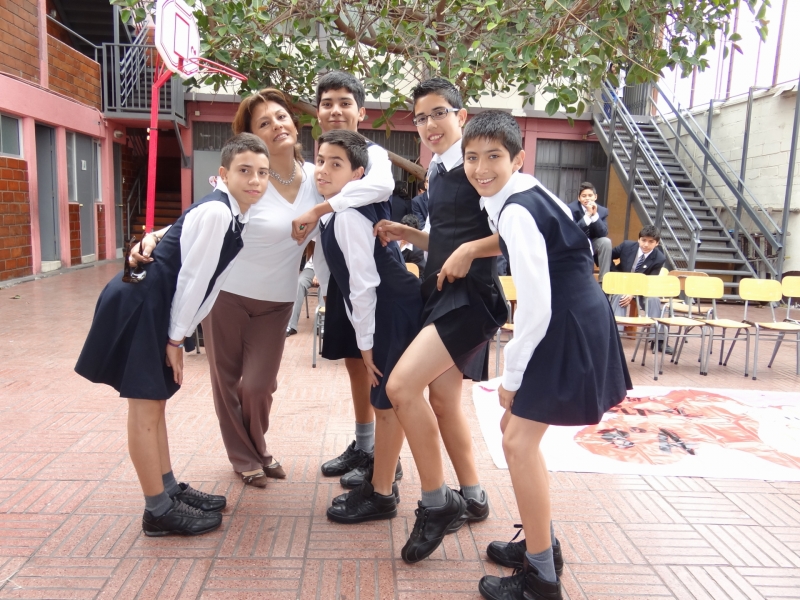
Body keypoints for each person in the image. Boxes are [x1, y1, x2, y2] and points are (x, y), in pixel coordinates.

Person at [460, 110, 630, 599]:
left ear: (517, 159)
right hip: (577, 311)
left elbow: (535, 306)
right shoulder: (525, 190)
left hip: (563, 321)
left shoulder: (515, 208)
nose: (481, 168)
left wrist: (511, 376)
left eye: (493, 157)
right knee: (514, 433)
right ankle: (542, 546)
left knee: (516, 440)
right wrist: (472, 248)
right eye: (472, 157)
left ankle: (541, 579)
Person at [130, 88, 329, 488]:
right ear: (252, 136)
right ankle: (247, 457)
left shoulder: (316, 178)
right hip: (226, 295)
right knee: (227, 382)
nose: (277, 125)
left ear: (294, 124)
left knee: (258, 386)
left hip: (278, 300)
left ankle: (257, 447)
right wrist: (156, 236)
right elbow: (207, 214)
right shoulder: (249, 177)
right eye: (264, 123)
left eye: (281, 117)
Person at [75, 133, 270, 536]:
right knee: (145, 407)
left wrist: (152, 236)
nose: (255, 180)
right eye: (245, 170)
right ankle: (158, 510)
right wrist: (176, 340)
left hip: (155, 304)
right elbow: (194, 281)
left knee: (156, 403)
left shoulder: (233, 212)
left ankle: (166, 489)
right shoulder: (219, 213)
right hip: (145, 304)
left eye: (263, 173)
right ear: (224, 175)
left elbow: (182, 242)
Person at [373, 78, 507, 564]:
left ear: (461, 116)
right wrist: (409, 233)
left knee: (400, 387)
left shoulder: (478, 167)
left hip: (469, 299)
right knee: (445, 401)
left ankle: (437, 502)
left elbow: (516, 230)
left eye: (439, 113)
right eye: (421, 117)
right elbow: (450, 238)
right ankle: (473, 495)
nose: (429, 124)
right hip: (442, 294)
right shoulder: (444, 169)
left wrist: (471, 251)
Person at [289, 71, 400, 490]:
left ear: (361, 111)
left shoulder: (374, 155)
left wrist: (320, 210)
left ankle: (387, 459)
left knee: (380, 368)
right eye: (327, 103)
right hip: (340, 281)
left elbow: (382, 186)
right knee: (356, 363)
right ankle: (365, 445)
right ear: (317, 113)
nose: (336, 110)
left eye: (345, 102)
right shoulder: (316, 165)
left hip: (373, 282)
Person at [311, 130, 422, 525]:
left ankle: (382, 493)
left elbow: (363, 284)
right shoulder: (335, 212)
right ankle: (382, 482)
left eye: (335, 164)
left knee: (387, 400)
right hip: (387, 306)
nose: (323, 170)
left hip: (391, 308)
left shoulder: (346, 216)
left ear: (358, 174)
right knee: (386, 399)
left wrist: (366, 342)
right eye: (320, 160)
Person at [610, 226, 671, 353]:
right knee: (620, 296)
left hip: (642, 289)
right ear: (638, 239)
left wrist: (633, 293)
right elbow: (607, 256)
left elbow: (649, 281)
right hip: (622, 284)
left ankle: (658, 340)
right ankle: (614, 337)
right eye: (643, 240)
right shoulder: (626, 246)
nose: (646, 244)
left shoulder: (659, 258)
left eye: (651, 242)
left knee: (654, 300)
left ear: (657, 243)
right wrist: (615, 274)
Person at [567, 182, 612, 283]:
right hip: (577, 243)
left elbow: (603, 233)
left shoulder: (602, 211)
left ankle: (604, 281)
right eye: (584, 196)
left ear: (595, 197)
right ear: (579, 198)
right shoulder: (571, 209)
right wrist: (587, 215)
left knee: (606, 242)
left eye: (590, 195)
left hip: (593, 243)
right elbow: (573, 232)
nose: (587, 198)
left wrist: (595, 215)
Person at [286, 241, 323, 337]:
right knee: (300, 283)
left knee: (324, 286)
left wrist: (319, 274)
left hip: (327, 269)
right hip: (311, 268)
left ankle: (322, 324)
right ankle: (291, 325)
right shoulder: (311, 236)